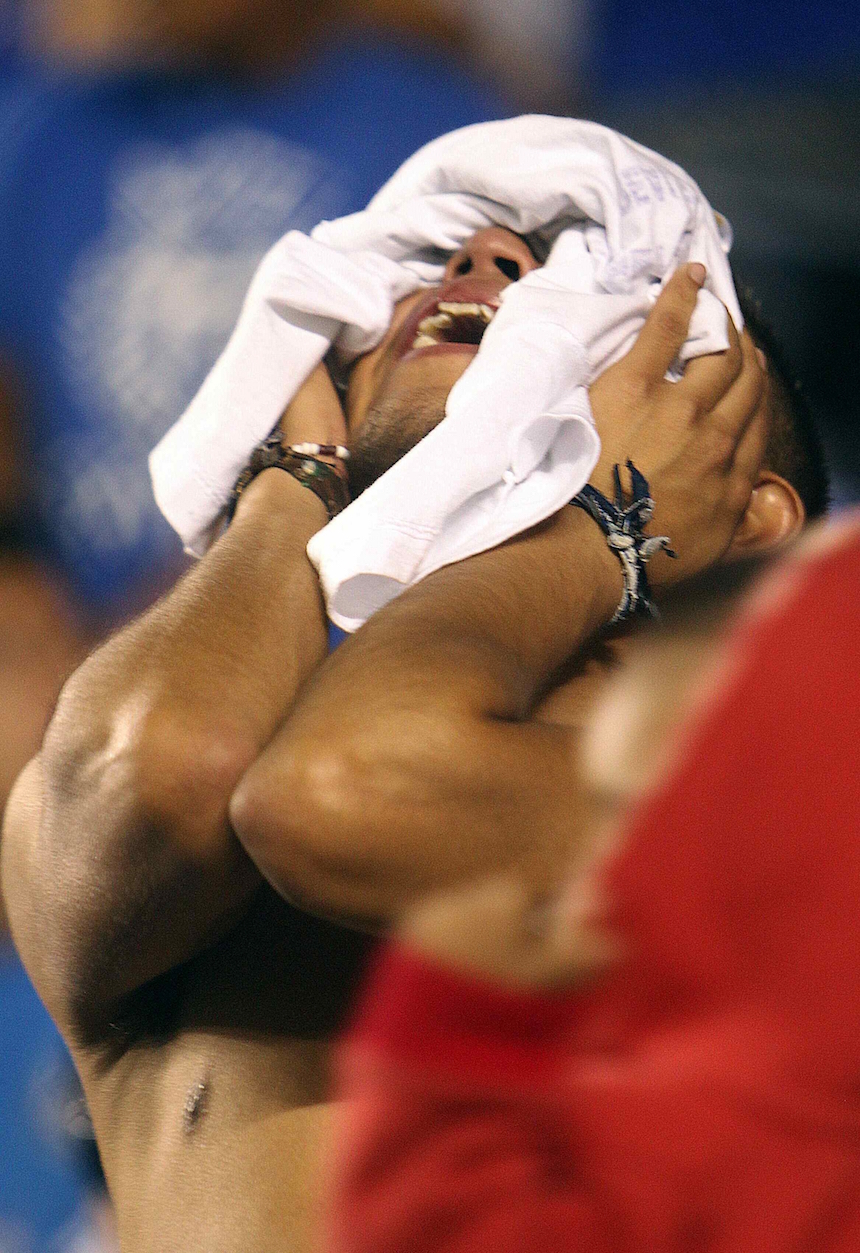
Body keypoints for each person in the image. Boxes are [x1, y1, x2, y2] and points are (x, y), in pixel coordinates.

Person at [1, 226, 825, 1253]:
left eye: (585, 284)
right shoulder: (166, 737)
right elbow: (155, 773)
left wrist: (602, 525)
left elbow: (344, 789)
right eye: (437, 260)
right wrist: (296, 478)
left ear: (744, 519)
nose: (480, 251)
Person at [324, 510, 860, 1253]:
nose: (597, 877)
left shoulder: (725, 1128)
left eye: (647, 819)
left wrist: (446, 1051)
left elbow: (326, 786)